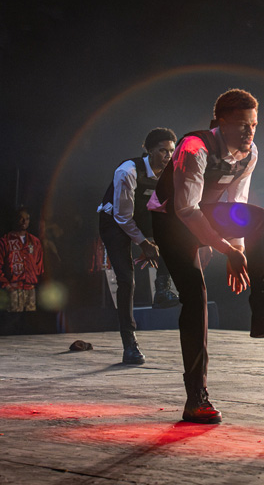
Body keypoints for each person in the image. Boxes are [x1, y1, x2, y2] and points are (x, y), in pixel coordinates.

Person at [149, 89, 264, 424]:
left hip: (202, 213)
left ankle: (262, 309)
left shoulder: (250, 154)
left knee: (257, 217)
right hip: (171, 221)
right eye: (242, 124)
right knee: (195, 299)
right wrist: (226, 249)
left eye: (254, 125)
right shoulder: (194, 148)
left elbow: (235, 205)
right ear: (220, 123)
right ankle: (196, 398)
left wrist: (239, 251)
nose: (249, 132)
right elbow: (186, 210)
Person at [97, 127, 177, 364]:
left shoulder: (171, 173)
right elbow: (123, 217)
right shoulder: (128, 171)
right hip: (114, 221)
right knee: (126, 280)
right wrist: (144, 243)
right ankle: (129, 343)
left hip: (141, 217)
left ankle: (162, 288)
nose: (168, 156)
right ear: (149, 150)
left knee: (175, 231)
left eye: (171, 151)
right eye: (162, 151)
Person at [0, 207, 44, 314]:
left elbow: (40, 266)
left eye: (27, 219)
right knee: (13, 320)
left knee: (29, 320)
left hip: (30, 290)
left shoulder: (35, 242)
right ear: (15, 219)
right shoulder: (5, 241)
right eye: (21, 218)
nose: (24, 221)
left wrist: (39, 285)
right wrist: (6, 285)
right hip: (13, 290)